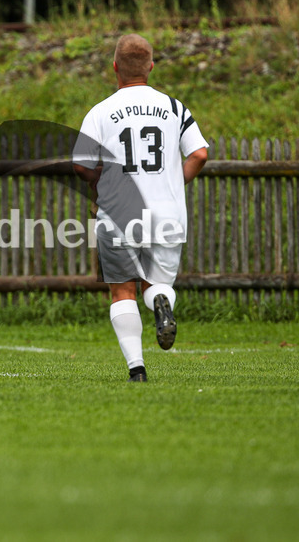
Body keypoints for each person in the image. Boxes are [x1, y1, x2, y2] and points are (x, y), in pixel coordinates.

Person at [72, 33, 209, 382]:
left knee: (122, 289)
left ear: (115, 67)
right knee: (157, 284)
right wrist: (176, 183)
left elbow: (81, 165)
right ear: (151, 66)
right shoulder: (175, 108)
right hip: (167, 214)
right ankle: (162, 305)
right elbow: (199, 154)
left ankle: (137, 369)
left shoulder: (101, 111)